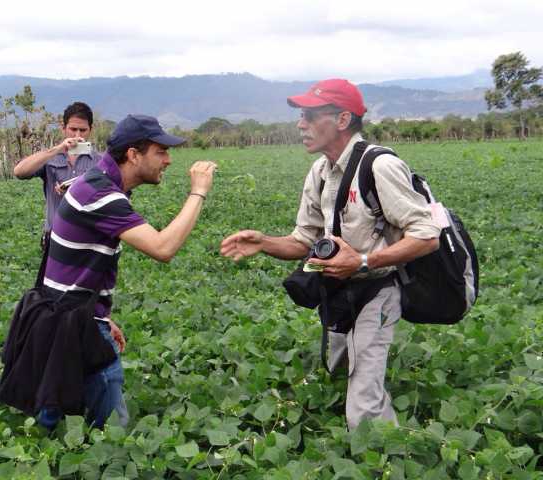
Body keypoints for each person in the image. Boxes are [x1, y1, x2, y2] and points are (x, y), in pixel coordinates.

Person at [220, 79, 440, 430]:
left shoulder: (379, 166)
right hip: (339, 292)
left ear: (341, 120)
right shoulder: (320, 172)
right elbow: (303, 241)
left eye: (309, 115)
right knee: (341, 371)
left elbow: (427, 237)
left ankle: (389, 456)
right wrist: (263, 242)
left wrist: (364, 261)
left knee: (363, 405)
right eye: (300, 115)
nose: (300, 124)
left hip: (379, 290)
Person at [38, 114, 216, 429]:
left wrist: (101, 314)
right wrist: (198, 192)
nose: (168, 160)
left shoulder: (95, 183)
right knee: (112, 431)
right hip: (76, 328)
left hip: (64, 318)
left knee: (55, 411)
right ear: (133, 155)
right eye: (160, 152)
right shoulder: (101, 194)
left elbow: (76, 262)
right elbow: (163, 248)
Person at [13, 101, 100, 248]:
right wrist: (58, 149)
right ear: (63, 129)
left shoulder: (100, 162)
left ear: (90, 130)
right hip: (54, 239)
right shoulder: (49, 158)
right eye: (73, 129)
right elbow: (19, 172)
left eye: (83, 130)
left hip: (89, 241)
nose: (78, 135)